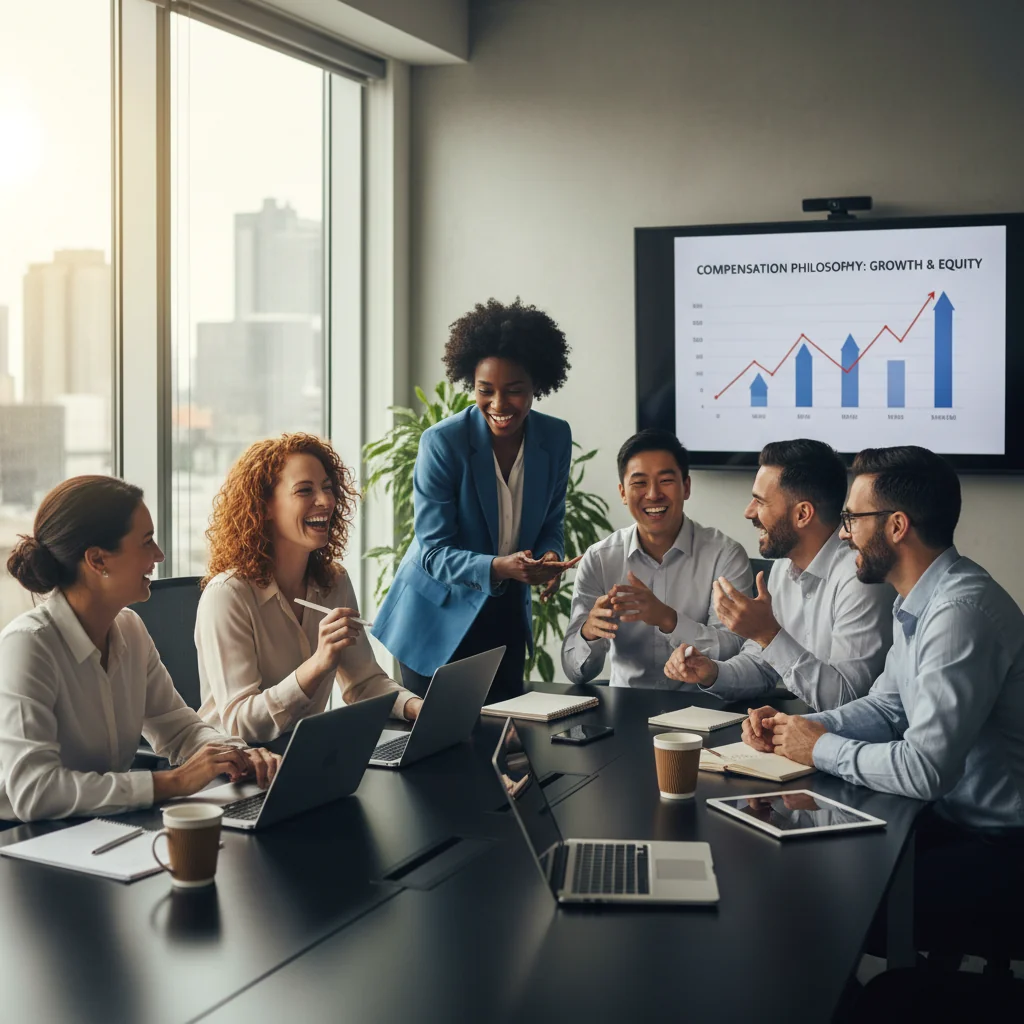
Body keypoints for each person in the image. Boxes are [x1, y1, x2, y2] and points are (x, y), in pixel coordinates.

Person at [743, 446, 1024, 948]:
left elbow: (925, 770)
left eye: (852, 517)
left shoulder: (959, 613)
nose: (843, 531)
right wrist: (799, 731)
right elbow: (887, 706)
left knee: (824, 893)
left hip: (998, 847)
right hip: (946, 820)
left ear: (897, 526)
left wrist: (818, 747)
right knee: (794, 860)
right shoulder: (917, 600)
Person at [0, 476, 278, 822]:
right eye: (146, 542)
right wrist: (174, 781)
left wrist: (239, 754)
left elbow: (180, 729)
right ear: (98, 560)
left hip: (101, 827)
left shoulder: (129, 629)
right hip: (26, 844)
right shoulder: (29, 644)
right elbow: (35, 792)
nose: (159, 555)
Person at [374, 298, 577, 701]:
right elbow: (433, 553)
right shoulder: (443, 443)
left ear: (537, 384)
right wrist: (501, 567)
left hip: (504, 619)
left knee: (501, 743)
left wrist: (551, 557)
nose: (499, 405)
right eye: (486, 391)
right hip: (434, 623)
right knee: (438, 753)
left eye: (515, 391)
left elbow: (551, 521)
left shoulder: (554, 438)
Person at [195, 434, 421, 744]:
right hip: (234, 769)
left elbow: (364, 683)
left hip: (304, 757)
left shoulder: (334, 582)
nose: (326, 501)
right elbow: (241, 724)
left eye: (328, 488)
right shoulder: (227, 596)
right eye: (305, 490)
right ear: (265, 507)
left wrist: (417, 707)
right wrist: (317, 664)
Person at [664, 438, 893, 710]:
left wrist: (769, 634)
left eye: (759, 501)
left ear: (803, 514)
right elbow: (762, 666)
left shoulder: (860, 578)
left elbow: (846, 700)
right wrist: (712, 672)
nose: (748, 512)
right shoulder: (783, 568)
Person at [561, 429, 752, 687]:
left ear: (686, 487)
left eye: (665, 481)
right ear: (622, 492)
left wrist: (668, 619)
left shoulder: (725, 555)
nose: (652, 494)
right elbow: (575, 673)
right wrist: (588, 635)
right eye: (639, 483)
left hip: (704, 711)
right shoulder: (599, 559)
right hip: (626, 711)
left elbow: (737, 651)